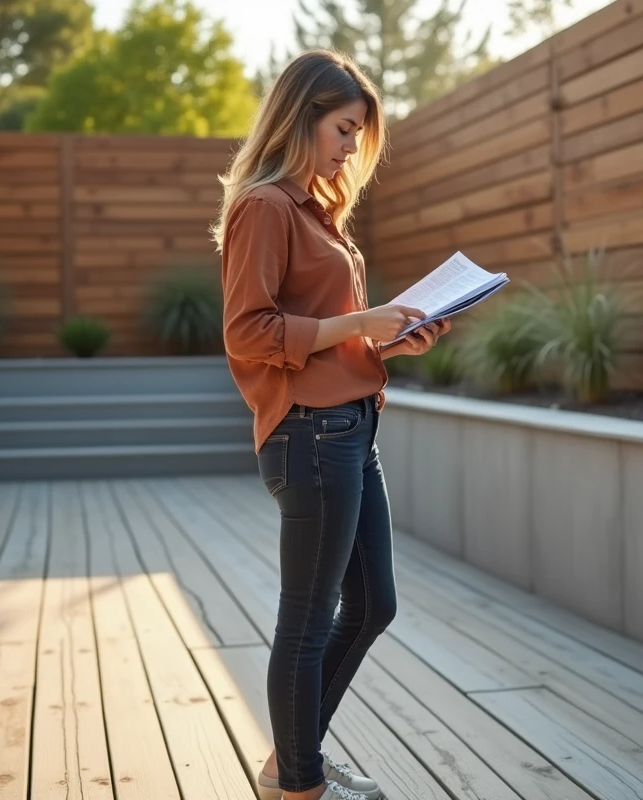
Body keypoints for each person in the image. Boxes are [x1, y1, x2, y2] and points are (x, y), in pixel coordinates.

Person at [212, 49, 451, 800]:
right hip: (310, 437)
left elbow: (322, 333)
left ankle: (293, 761)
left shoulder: (317, 211)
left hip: (350, 428)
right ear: (301, 116)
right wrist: (360, 320)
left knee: (372, 603)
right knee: (309, 620)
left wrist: (383, 338)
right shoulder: (265, 206)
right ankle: (301, 787)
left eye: (357, 134)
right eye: (344, 129)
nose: (352, 149)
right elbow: (249, 331)